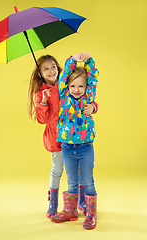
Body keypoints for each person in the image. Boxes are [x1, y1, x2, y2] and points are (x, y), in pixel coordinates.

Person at [27, 54, 98, 219]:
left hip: (75, 137)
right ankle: (53, 203)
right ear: (40, 73)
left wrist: (93, 106)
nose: (51, 71)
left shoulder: (66, 86)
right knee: (57, 170)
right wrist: (43, 101)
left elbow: (87, 96)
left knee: (79, 171)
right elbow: (42, 120)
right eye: (45, 69)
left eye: (53, 66)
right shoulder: (42, 93)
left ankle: (80, 202)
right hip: (56, 138)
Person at [50, 51, 99, 230]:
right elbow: (63, 77)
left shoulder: (87, 98)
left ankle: (91, 213)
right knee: (72, 181)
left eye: (80, 86)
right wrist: (73, 60)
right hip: (67, 147)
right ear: (67, 86)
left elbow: (93, 76)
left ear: (86, 88)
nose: (76, 90)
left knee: (87, 181)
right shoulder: (63, 96)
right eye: (73, 86)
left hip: (85, 147)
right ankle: (70, 210)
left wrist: (88, 61)